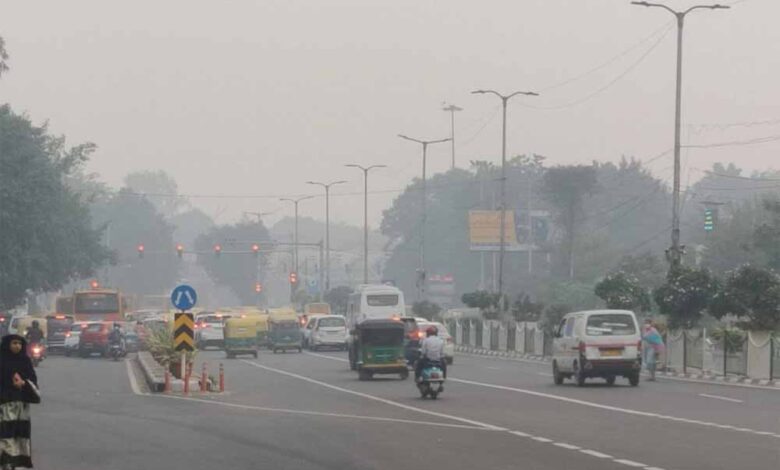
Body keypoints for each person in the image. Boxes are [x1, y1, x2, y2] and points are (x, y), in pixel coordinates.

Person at [0, 335, 40, 469]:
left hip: (21, 407)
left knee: (18, 436)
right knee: (5, 436)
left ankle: (12, 464)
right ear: (7, 345)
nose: (17, 346)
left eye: (20, 343)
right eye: (14, 343)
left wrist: (23, 383)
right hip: (4, 405)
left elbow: (33, 381)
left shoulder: (25, 360)